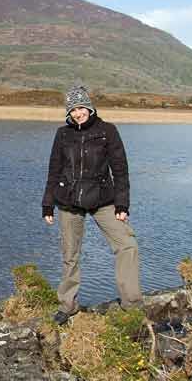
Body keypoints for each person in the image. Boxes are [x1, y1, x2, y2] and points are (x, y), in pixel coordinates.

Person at [41, 85, 143, 325]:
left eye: (81, 108)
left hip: (103, 200)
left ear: (89, 107)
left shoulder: (108, 131)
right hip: (69, 202)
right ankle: (68, 305)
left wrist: (122, 204)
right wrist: (48, 205)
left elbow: (120, 170)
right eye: (73, 109)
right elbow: (54, 170)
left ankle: (132, 304)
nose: (78, 113)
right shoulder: (62, 134)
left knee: (127, 245)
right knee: (70, 254)